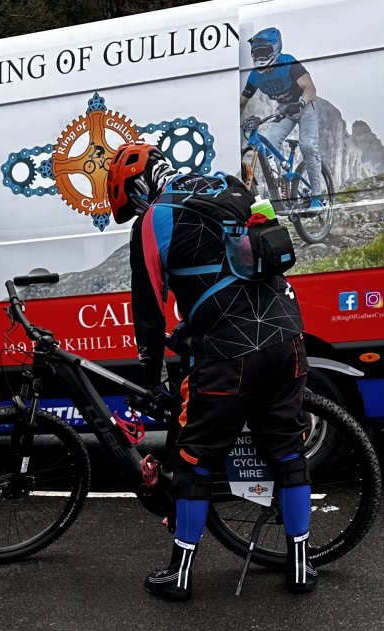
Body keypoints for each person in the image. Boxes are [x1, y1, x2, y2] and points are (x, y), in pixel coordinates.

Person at [106, 142, 316, 601]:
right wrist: (188, 330)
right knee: (287, 449)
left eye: (133, 202)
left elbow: (148, 312)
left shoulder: (152, 221)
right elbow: (246, 266)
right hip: (287, 336)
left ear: (138, 189)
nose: (137, 211)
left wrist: (151, 376)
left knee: (194, 461)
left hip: (227, 355)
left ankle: (180, 575)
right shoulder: (230, 186)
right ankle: (301, 566)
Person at [240, 27, 325, 211]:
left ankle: (317, 197)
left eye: (264, 52)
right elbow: (242, 103)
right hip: (285, 110)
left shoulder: (288, 63)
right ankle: (281, 193)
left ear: (276, 49)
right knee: (269, 144)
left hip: (305, 106)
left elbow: (310, 87)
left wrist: (301, 103)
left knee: (307, 145)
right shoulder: (255, 76)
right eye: (256, 53)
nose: (260, 57)